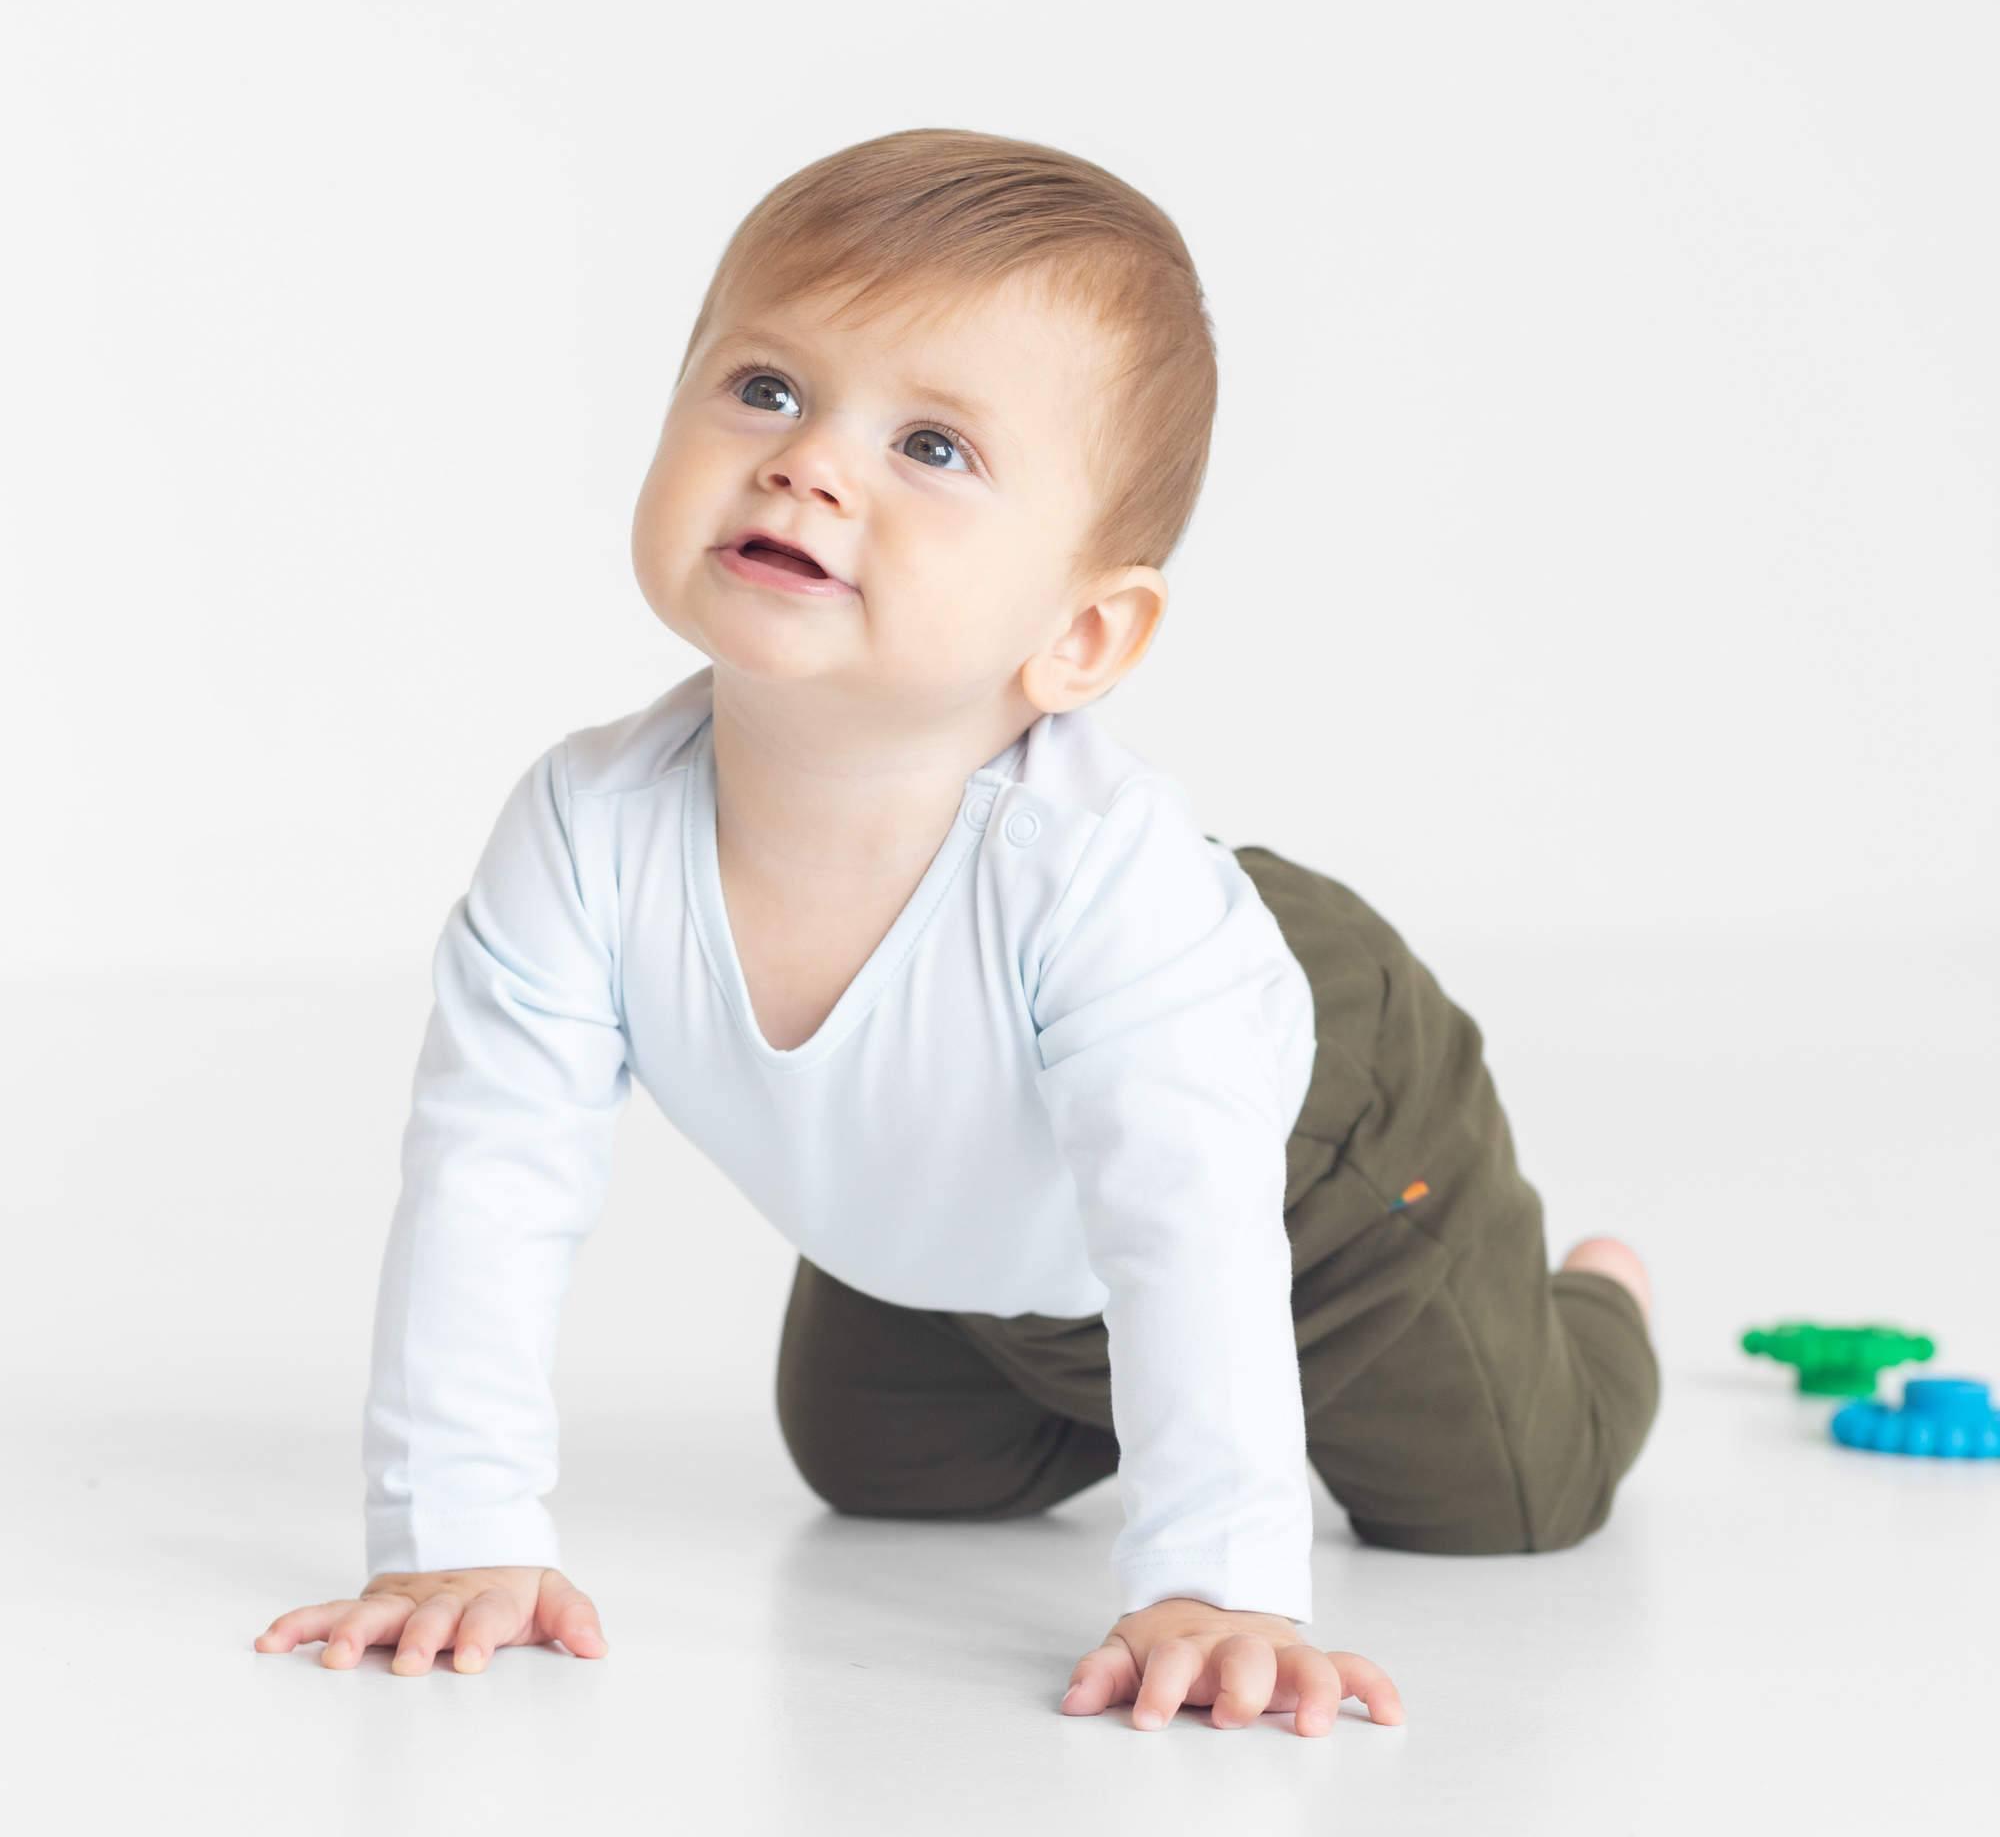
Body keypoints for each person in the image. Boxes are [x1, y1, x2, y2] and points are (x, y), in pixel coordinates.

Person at [255, 127, 1658, 1735]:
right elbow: (489, 1177)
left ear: (1082, 634)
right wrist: (457, 1543)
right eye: (767, 388)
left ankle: (1593, 1304)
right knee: (883, 1471)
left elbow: (1185, 1231)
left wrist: (1214, 1580)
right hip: (968, 1234)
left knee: (1504, 1498)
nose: (806, 463)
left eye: (932, 446)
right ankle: (1095, 1383)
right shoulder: (583, 832)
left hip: (1315, 1158)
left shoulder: (1105, 898)